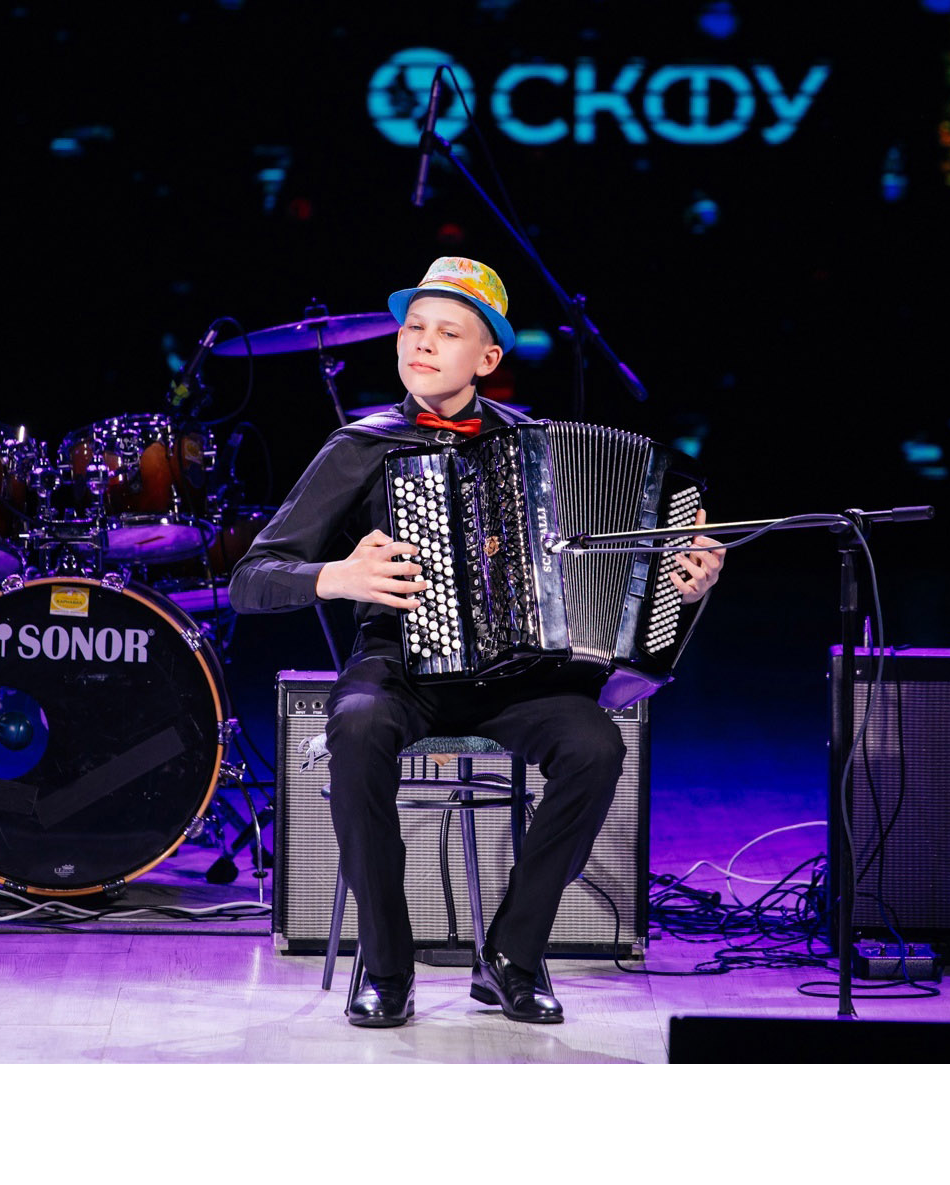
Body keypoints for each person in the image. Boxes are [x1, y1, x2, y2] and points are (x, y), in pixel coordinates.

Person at [229, 257, 723, 1028]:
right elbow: (251, 578)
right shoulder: (360, 446)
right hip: (400, 666)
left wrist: (684, 583)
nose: (422, 343)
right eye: (413, 328)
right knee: (356, 727)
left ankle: (512, 957)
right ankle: (387, 966)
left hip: (519, 678)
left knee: (596, 746)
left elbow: (627, 574)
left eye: (447, 332)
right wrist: (337, 576)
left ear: (487, 359)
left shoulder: (541, 447)